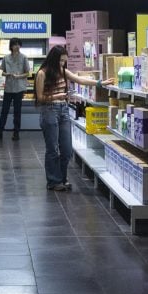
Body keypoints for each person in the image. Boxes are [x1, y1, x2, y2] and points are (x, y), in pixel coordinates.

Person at [34, 44, 111, 191]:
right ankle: (54, 181)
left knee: (67, 149)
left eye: (64, 61)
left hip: (63, 110)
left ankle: (62, 178)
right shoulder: (42, 73)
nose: (62, 63)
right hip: (49, 110)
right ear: (53, 59)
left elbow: (80, 80)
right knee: (52, 149)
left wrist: (100, 83)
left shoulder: (63, 71)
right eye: (60, 60)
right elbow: (40, 98)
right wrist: (58, 96)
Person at [0, 38, 30, 141]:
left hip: (19, 88)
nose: (17, 46)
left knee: (17, 112)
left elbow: (28, 73)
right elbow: (0, 72)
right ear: (11, 46)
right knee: (4, 111)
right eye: (14, 44)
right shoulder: (6, 58)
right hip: (8, 88)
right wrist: (7, 74)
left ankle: (16, 133)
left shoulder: (24, 57)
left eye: (18, 44)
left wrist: (19, 76)